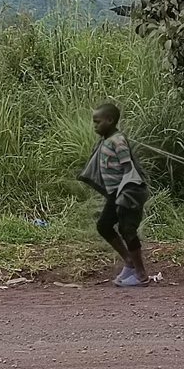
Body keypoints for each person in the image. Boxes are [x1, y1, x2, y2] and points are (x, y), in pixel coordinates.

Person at [78, 103, 151, 287]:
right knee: (104, 226)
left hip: (124, 193)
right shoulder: (107, 139)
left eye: (97, 122)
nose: (94, 125)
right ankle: (129, 262)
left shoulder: (117, 140)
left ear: (110, 120)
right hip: (115, 194)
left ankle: (141, 275)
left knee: (127, 230)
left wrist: (122, 194)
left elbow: (128, 168)